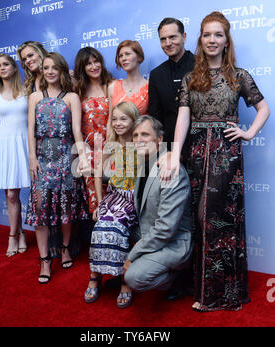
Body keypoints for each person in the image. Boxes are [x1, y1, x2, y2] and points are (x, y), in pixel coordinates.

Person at [159, 11, 270, 312]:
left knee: (221, 219)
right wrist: (173, 152)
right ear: (200, 39)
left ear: (226, 41)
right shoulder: (191, 78)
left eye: (218, 35)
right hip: (195, 154)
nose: (212, 39)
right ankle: (205, 291)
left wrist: (248, 133)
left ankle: (225, 296)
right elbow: (183, 117)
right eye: (207, 34)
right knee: (199, 221)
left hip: (226, 155)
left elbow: (263, 108)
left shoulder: (239, 76)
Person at [25, 52, 89, 284]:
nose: (50, 71)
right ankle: (44, 260)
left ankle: (64, 248)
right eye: (46, 67)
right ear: (41, 70)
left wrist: (82, 157)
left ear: (62, 70)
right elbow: (31, 131)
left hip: (64, 156)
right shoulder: (34, 97)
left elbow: (77, 131)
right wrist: (32, 158)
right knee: (41, 209)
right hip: (42, 158)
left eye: (55, 68)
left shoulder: (71, 97)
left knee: (65, 209)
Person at [123, 115, 193, 299]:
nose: (138, 140)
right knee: (114, 230)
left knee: (134, 277)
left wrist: (133, 254)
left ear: (159, 139)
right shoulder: (144, 165)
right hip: (150, 232)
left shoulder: (170, 169)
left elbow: (165, 229)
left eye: (145, 134)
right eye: (135, 135)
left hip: (173, 242)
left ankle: (178, 278)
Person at [84, 101, 140, 308]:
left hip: (132, 198)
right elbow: (97, 173)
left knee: (117, 227)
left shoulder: (142, 143)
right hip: (113, 196)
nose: (117, 123)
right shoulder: (111, 143)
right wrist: (99, 203)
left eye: (123, 119)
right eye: (114, 119)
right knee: (100, 225)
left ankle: (125, 280)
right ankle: (95, 275)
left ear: (134, 120)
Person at [0, 53, 30, 257]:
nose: (2, 68)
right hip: (1, 145)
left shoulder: (27, 90)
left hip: (21, 143)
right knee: (9, 195)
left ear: (14, 67)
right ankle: (18, 233)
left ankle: (13, 235)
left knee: (14, 193)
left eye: (6, 64)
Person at [73, 47, 113, 217]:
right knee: (93, 196)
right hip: (87, 149)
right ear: (82, 67)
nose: (94, 66)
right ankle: (98, 237)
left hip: (110, 145)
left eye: (96, 61)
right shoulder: (78, 90)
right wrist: (82, 154)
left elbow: (114, 118)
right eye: (88, 64)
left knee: (114, 190)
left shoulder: (111, 85)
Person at [148, 17, 194, 156]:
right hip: (169, 150)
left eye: (172, 37)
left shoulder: (202, 66)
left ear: (184, 37)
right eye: (163, 39)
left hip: (201, 146)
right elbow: (155, 117)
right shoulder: (156, 74)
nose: (168, 43)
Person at [107, 40, 148, 135]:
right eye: (120, 56)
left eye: (127, 54)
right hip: (119, 145)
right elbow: (110, 122)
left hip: (141, 144)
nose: (123, 58)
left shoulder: (149, 87)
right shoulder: (113, 87)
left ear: (139, 57)